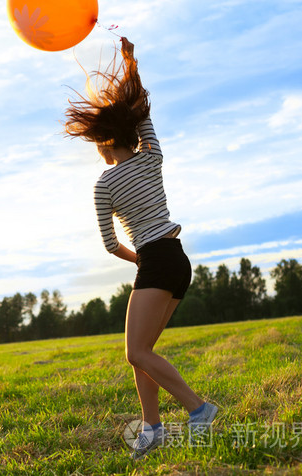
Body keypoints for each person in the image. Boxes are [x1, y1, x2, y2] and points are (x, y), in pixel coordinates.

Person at [64, 37, 218, 459]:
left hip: (153, 260)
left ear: (103, 142)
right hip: (178, 259)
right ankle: (152, 428)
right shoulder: (153, 157)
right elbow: (143, 113)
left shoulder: (104, 184)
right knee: (144, 353)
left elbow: (112, 244)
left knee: (136, 351)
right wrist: (131, 65)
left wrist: (140, 262)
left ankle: (198, 408)